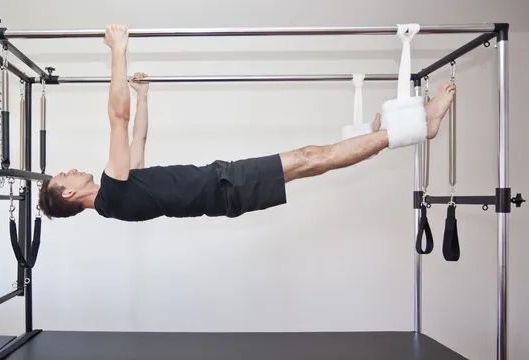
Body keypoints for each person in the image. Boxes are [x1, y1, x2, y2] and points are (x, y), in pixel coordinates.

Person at [38, 24, 456, 221]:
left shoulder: (119, 196)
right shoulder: (111, 192)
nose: (72, 168)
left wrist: (144, 95)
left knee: (314, 160)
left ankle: (392, 132)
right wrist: (118, 50)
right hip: (225, 187)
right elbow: (118, 116)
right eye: (65, 174)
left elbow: (137, 135)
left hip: (223, 184)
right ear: (71, 192)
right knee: (312, 158)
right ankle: (415, 126)